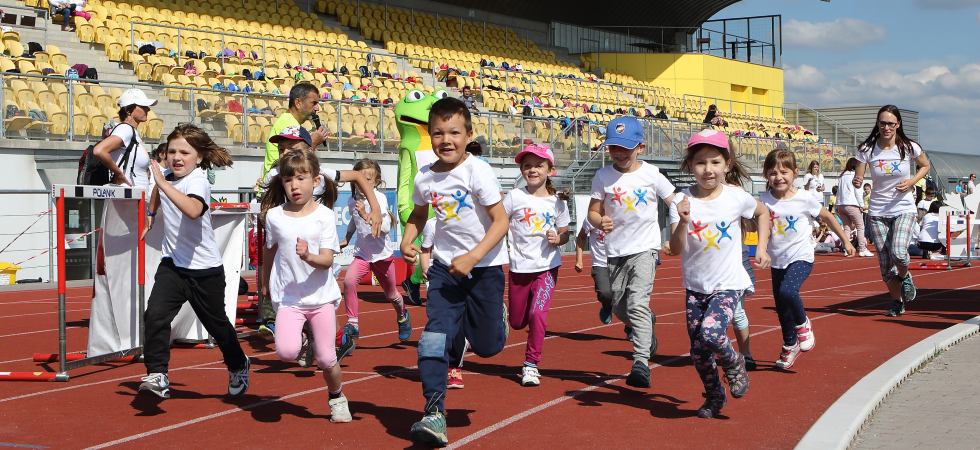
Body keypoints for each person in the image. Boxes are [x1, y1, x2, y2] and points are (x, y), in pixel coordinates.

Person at [399, 97, 509, 447]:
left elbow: (501, 221)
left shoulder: (478, 171)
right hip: (445, 269)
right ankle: (434, 411)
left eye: (454, 133)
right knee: (434, 337)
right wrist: (408, 238)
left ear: (468, 135)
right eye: (438, 133)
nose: (446, 140)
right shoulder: (425, 177)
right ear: (430, 135)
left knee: (488, 347)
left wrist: (473, 257)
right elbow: (419, 214)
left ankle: (496, 319)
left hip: (484, 268)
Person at [138, 124, 247, 399]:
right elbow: (158, 192)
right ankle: (157, 373)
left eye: (184, 153)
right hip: (173, 265)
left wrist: (162, 184)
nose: (177, 157)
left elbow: (194, 210)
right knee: (155, 315)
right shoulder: (166, 176)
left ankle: (238, 363)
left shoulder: (197, 180)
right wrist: (151, 215)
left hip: (204, 270)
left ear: (198, 157)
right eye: (172, 151)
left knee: (218, 326)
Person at [667, 128, 771, 419]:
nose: (708, 169)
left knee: (712, 333)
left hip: (728, 283)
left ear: (727, 164)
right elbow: (675, 249)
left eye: (715, 162)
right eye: (701, 162)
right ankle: (714, 396)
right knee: (698, 352)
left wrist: (761, 247)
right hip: (695, 286)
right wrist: (683, 222)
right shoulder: (681, 201)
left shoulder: (736, 197)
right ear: (690, 166)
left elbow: (763, 213)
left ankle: (735, 362)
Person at [255, 127, 382, 336]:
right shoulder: (275, 174)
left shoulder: (321, 173)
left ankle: (337, 341)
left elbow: (358, 176)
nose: (284, 153)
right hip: (290, 250)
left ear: (308, 149)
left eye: (290, 147)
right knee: (294, 302)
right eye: (281, 149)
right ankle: (284, 327)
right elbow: (266, 208)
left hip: (317, 248)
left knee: (320, 306)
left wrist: (375, 209)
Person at [259, 150, 353, 423]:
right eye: (288, 180)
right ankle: (303, 336)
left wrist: (308, 256)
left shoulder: (324, 216)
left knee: (326, 360)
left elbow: (327, 260)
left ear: (315, 181)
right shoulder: (274, 216)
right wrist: (264, 282)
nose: (294, 186)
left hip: (320, 298)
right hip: (289, 298)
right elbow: (269, 249)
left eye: (301, 178)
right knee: (286, 352)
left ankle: (337, 397)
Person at [588, 116, 675, 388]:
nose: (619, 153)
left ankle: (640, 363)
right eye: (614, 147)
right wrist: (599, 220)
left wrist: (675, 233)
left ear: (640, 147)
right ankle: (646, 323)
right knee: (618, 306)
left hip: (645, 249)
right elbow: (592, 212)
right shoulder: (603, 176)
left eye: (625, 148)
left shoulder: (652, 174)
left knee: (637, 303)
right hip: (615, 251)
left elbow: (674, 201)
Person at [761, 149, 855, 370]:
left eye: (784, 172)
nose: (779, 177)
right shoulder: (763, 201)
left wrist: (846, 241)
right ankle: (789, 344)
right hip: (777, 259)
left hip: (801, 256)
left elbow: (828, 216)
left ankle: (803, 324)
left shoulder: (804, 197)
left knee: (788, 291)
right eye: (773, 173)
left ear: (795, 173)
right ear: (766, 175)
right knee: (782, 308)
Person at [86, 88, 156, 358]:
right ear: (129, 109)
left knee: (136, 270)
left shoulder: (132, 132)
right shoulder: (125, 130)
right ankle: (128, 335)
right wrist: (119, 175)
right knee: (128, 271)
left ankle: (136, 334)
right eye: (143, 106)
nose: (147, 110)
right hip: (128, 205)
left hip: (135, 205)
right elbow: (100, 150)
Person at [853, 105, 931, 317]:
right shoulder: (867, 149)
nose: (886, 127)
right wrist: (857, 181)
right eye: (882, 123)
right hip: (878, 211)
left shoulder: (908, 146)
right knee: (886, 265)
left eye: (890, 123)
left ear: (898, 124)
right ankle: (897, 302)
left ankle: (905, 276)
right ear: (877, 124)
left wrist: (912, 181)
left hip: (903, 208)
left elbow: (925, 165)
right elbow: (858, 177)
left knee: (898, 252)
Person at [503, 144, 570, 386]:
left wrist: (558, 239)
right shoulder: (514, 197)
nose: (532, 170)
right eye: (527, 166)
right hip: (519, 268)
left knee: (537, 314)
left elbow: (565, 232)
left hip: (547, 267)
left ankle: (531, 364)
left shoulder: (558, 201)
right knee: (517, 322)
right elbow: (498, 224)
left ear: (550, 170)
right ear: (522, 170)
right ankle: (505, 315)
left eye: (539, 166)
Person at [340, 158, 412, 344]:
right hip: (363, 255)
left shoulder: (379, 199)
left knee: (392, 295)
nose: (363, 184)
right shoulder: (352, 200)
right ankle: (353, 323)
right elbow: (353, 220)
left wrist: (365, 214)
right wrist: (347, 238)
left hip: (382, 256)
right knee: (348, 281)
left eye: (368, 180)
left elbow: (385, 228)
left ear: (376, 182)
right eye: (359, 179)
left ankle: (402, 315)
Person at [263, 82, 327, 177]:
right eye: (314, 103)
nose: (317, 108)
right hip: (278, 181)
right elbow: (295, 163)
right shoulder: (289, 125)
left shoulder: (288, 121)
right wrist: (313, 142)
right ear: (298, 103)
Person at [574, 219, 611, 324]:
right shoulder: (591, 218)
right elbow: (581, 237)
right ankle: (607, 305)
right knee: (605, 293)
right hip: (600, 263)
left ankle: (631, 326)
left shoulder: (620, 213)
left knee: (627, 297)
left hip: (620, 261)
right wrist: (579, 260)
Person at [837, 158, 874, 257]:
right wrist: (861, 205)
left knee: (847, 227)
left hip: (841, 205)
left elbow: (839, 191)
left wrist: (837, 204)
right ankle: (862, 249)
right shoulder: (856, 175)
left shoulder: (842, 176)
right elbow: (858, 191)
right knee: (860, 226)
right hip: (852, 204)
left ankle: (847, 249)